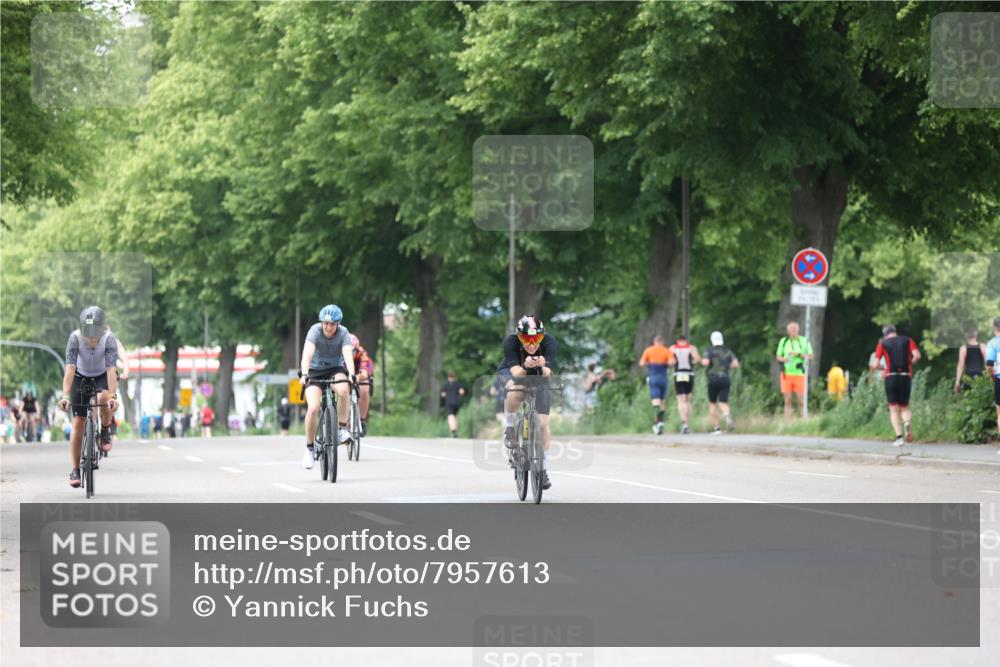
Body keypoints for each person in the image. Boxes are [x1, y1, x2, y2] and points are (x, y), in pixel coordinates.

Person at [56, 306, 119, 487]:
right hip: (80, 376)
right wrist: (66, 396)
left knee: (104, 399)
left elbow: (111, 371)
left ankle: (105, 430)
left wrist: (113, 397)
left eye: (94, 333)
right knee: (78, 421)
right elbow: (70, 370)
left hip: (101, 375)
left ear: (102, 329)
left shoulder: (109, 340)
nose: (90, 338)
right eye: (87, 332)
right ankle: (75, 469)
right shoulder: (75, 338)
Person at [498, 315, 557, 490]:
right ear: (519, 336)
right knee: (516, 389)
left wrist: (541, 365)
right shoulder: (510, 342)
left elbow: (548, 373)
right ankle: (509, 427)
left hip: (538, 374)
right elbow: (517, 373)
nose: (531, 344)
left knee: (543, 425)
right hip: (513, 370)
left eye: (536, 339)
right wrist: (525, 366)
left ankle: (543, 469)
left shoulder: (549, 342)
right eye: (526, 339)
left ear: (542, 337)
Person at [300, 304, 356, 470]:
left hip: (334, 369)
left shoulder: (344, 333)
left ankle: (342, 428)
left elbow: (347, 355)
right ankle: (310, 449)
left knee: (344, 389)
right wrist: (304, 374)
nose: (328, 327)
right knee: (313, 408)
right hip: (314, 371)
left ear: (338, 324)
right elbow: (307, 354)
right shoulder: (315, 331)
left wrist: (352, 374)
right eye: (325, 323)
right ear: (321, 322)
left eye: (332, 324)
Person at [870, 324, 921, 447]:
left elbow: (875, 364)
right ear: (895, 331)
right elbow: (917, 356)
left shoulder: (883, 343)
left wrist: (883, 367)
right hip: (905, 376)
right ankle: (907, 423)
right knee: (904, 407)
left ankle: (899, 438)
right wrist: (910, 363)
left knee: (893, 409)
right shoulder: (908, 340)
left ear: (885, 334)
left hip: (891, 376)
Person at [702, 331, 740, 434]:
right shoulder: (727, 350)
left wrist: (703, 361)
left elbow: (705, 363)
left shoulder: (709, 350)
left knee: (713, 403)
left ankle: (717, 429)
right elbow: (736, 364)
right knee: (723, 402)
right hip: (725, 378)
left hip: (713, 378)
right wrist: (727, 366)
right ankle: (727, 415)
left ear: (712, 340)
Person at [776, 321, 813, 419]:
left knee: (801, 400)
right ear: (788, 331)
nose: (794, 331)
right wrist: (785, 359)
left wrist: (798, 355)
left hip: (799, 374)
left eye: (795, 329)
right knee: (787, 400)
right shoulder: (784, 341)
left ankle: (804, 420)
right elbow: (778, 357)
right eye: (792, 330)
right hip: (786, 374)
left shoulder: (804, 341)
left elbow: (810, 356)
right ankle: (788, 421)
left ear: (798, 330)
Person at [639, 335, 675, 435]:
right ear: (662, 342)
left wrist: (649, 364)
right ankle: (661, 422)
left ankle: (657, 423)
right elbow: (672, 362)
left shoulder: (649, 350)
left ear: (654, 342)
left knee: (655, 400)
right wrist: (665, 363)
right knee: (662, 401)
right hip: (663, 377)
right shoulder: (666, 350)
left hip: (653, 376)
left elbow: (641, 363)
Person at [670, 334, 701, 434]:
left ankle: (684, 424)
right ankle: (688, 423)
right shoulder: (691, 348)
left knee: (681, 401)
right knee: (688, 399)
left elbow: (670, 361)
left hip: (678, 374)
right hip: (689, 374)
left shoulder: (673, 348)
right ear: (686, 340)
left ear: (677, 340)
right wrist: (692, 362)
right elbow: (697, 359)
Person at [350, 334, 375, 436]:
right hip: (345, 371)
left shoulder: (362, 353)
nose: (350, 354)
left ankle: (362, 420)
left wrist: (357, 378)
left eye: (352, 352)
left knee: (364, 390)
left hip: (360, 372)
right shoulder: (338, 352)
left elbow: (364, 374)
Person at [954, 326, 988, 393]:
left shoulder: (963, 348)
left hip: (968, 376)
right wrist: (990, 377)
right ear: (976, 335)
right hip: (980, 375)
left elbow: (960, 366)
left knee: (968, 396)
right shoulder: (983, 346)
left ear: (966, 336)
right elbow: (987, 364)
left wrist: (957, 381)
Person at [986, 317, 1000, 453]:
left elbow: (989, 365)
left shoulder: (992, 343)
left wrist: (992, 377)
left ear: (994, 328)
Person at [441, 371, 465, 437]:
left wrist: (446, 394)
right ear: (455, 377)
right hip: (456, 402)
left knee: (450, 416)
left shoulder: (446, 385)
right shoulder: (458, 384)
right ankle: (455, 430)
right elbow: (462, 392)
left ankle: (453, 430)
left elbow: (443, 394)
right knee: (455, 416)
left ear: (448, 377)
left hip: (449, 402)